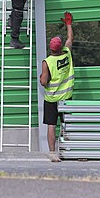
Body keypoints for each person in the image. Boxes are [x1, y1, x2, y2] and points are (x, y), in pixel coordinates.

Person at [39, 12, 74, 162]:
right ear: (60, 47)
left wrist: (41, 76)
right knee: (67, 125)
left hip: (52, 99)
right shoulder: (67, 54)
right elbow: (70, 39)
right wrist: (68, 24)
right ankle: (70, 151)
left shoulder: (48, 62)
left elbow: (44, 82)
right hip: (66, 97)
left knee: (52, 125)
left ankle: (53, 153)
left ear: (50, 48)